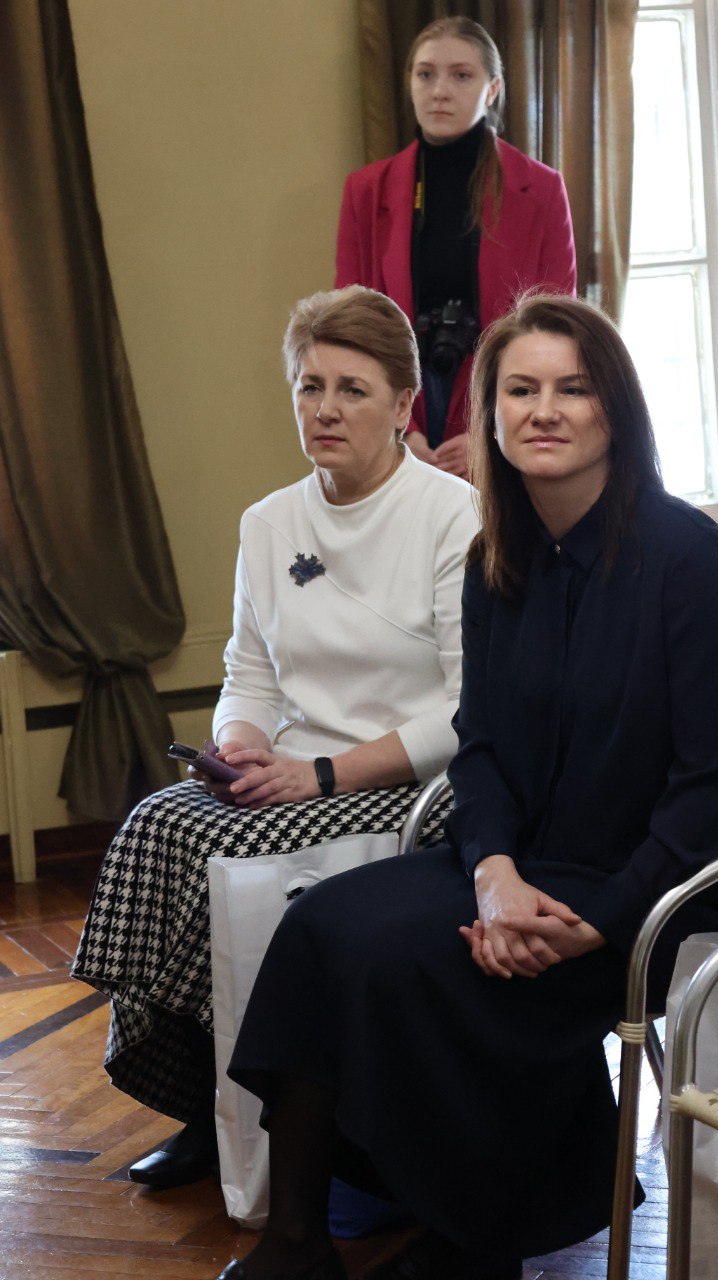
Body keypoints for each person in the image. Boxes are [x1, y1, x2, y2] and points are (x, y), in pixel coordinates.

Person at [213, 293, 718, 1280]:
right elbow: (479, 751)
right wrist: (493, 877)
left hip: (669, 887)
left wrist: (598, 920)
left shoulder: (688, 561)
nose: (543, 410)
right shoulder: (495, 560)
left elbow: (711, 789)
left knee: (430, 970)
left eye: (573, 388)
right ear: (490, 414)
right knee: (323, 929)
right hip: (526, 865)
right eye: (520, 390)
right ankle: (296, 1241)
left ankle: (478, 1239)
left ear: (615, 410)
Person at [71, 285, 478, 1191]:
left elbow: (466, 711)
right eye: (308, 386)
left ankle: (255, 1110)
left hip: (410, 782)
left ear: (403, 404)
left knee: (228, 852)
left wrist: (321, 773)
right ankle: (201, 1100)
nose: (324, 408)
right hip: (293, 768)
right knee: (157, 825)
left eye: (351, 389)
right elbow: (247, 672)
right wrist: (241, 745)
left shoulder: (453, 514)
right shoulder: (267, 522)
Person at [335, 17, 576, 477]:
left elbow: (555, 326)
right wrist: (397, 426)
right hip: (401, 405)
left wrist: (492, 426)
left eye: (461, 75)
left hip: (505, 404)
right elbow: (353, 325)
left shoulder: (541, 189)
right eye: (425, 74)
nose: (439, 91)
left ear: (493, 89)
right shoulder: (365, 191)